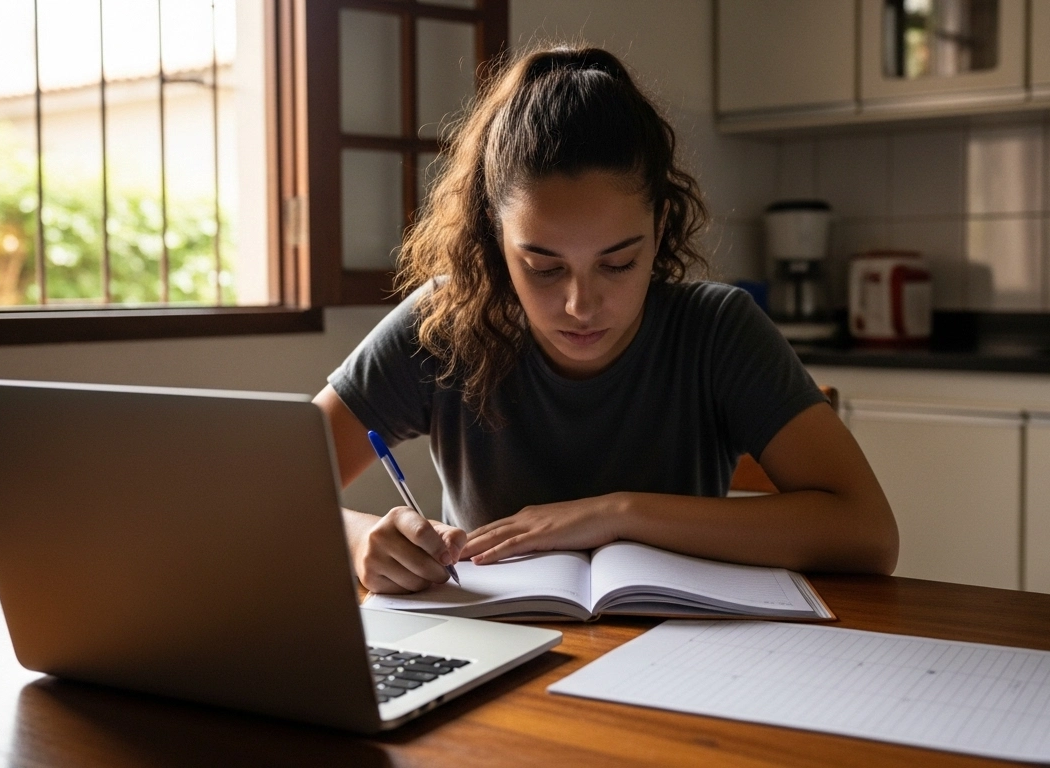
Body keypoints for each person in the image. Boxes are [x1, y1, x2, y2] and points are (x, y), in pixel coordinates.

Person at [314, 44, 898, 595]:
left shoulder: (717, 331)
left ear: (660, 228)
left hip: (680, 650)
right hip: (497, 647)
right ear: (495, 237)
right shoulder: (446, 323)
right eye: (543, 268)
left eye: (617, 264)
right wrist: (361, 539)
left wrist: (618, 513)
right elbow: (270, 488)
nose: (581, 305)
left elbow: (868, 533)